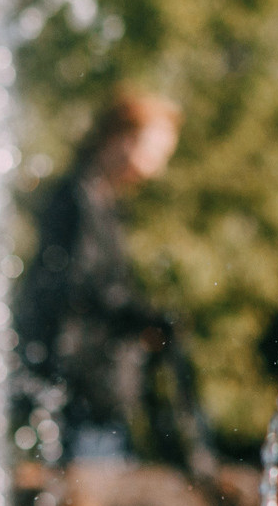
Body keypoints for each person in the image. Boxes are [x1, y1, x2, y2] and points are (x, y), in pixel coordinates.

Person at [16, 89, 213, 476]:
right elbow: (79, 286)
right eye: (153, 152)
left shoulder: (102, 201)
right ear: (119, 139)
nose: (156, 168)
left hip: (96, 389)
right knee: (89, 496)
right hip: (76, 388)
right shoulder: (77, 199)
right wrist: (143, 318)